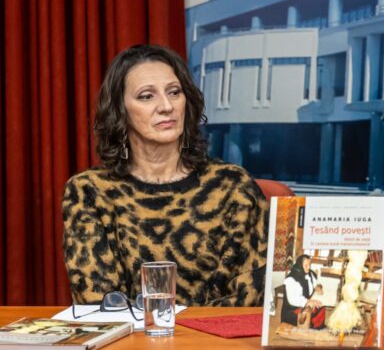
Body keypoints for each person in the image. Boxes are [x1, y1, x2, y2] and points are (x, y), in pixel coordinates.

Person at [62, 44, 268, 306]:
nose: (167, 106)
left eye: (174, 92)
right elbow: (101, 302)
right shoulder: (89, 191)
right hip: (130, 334)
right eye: (147, 96)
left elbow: (249, 299)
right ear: (120, 110)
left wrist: (184, 327)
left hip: (216, 333)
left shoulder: (234, 187)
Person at [282, 255, 325, 329]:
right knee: (313, 314)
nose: (308, 267)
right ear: (300, 265)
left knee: (321, 308)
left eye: (309, 265)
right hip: (293, 309)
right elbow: (293, 300)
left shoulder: (309, 273)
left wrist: (317, 288)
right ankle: (311, 326)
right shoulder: (290, 279)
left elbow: (315, 284)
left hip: (305, 304)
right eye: (306, 265)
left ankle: (314, 325)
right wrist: (309, 301)